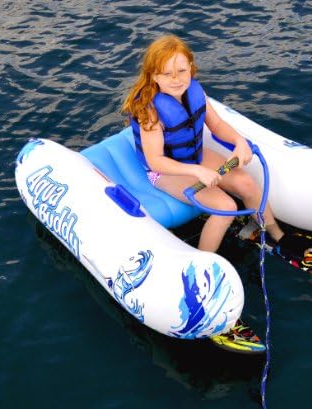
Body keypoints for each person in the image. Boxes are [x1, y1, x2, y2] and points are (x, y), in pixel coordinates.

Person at [121, 35, 285, 353]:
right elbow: (155, 161)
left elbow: (217, 125)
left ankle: (275, 233)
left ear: (191, 69)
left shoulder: (194, 92)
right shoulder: (150, 111)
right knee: (225, 207)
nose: (176, 79)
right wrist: (197, 172)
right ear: (153, 75)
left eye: (182, 71)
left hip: (194, 157)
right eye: (167, 74)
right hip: (167, 172)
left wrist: (239, 142)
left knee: (247, 185)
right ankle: (202, 270)